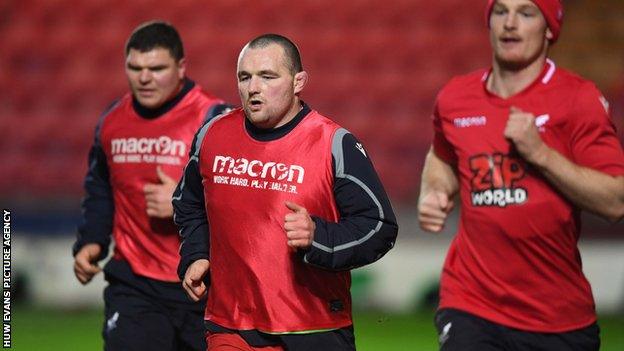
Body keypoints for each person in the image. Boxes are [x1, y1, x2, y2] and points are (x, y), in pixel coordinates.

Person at [418, 0, 624, 350]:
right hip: (470, 302)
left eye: (526, 13)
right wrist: (434, 191)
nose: (510, 23)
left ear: (548, 29)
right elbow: (442, 156)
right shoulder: (456, 98)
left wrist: (540, 154)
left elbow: (616, 201)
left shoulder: (578, 99)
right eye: (500, 11)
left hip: (558, 315)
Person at [173, 33, 398, 351]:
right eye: (245, 77)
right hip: (231, 326)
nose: (253, 88)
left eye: (267, 76)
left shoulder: (333, 143)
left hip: (314, 328)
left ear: (298, 81)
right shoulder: (212, 135)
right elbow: (188, 203)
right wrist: (196, 254)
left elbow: (379, 227)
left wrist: (317, 236)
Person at [72, 21, 230, 351]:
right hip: (134, 284)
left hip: (202, 285)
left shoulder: (213, 119)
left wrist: (182, 202)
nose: (144, 78)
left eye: (156, 68)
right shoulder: (113, 119)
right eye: (135, 67)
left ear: (181, 67)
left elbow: (241, 201)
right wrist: (92, 240)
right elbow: (101, 186)